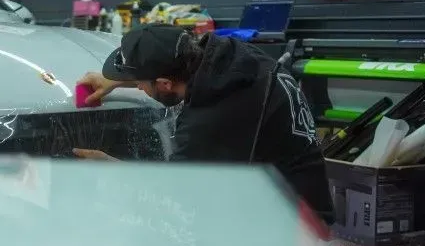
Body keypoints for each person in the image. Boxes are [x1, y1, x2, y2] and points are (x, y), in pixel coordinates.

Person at [73, 24, 334, 223]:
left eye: (141, 83)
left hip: (293, 228)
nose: (139, 88)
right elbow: (173, 78)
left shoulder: (210, 122)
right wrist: (119, 80)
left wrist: (111, 170)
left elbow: (176, 190)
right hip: (303, 190)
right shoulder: (232, 54)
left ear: (165, 83)